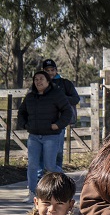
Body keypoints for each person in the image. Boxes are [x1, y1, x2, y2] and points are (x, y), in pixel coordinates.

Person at [17, 70, 72, 199]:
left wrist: (58, 125)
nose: (38, 81)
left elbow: (67, 111)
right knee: (32, 165)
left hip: (51, 136)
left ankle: (66, 184)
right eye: (36, 79)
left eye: (41, 79)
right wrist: (25, 125)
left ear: (48, 81)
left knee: (50, 165)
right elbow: (21, 112)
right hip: (34, 137)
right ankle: (32, 193)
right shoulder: (30, 96)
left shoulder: (56, 94)